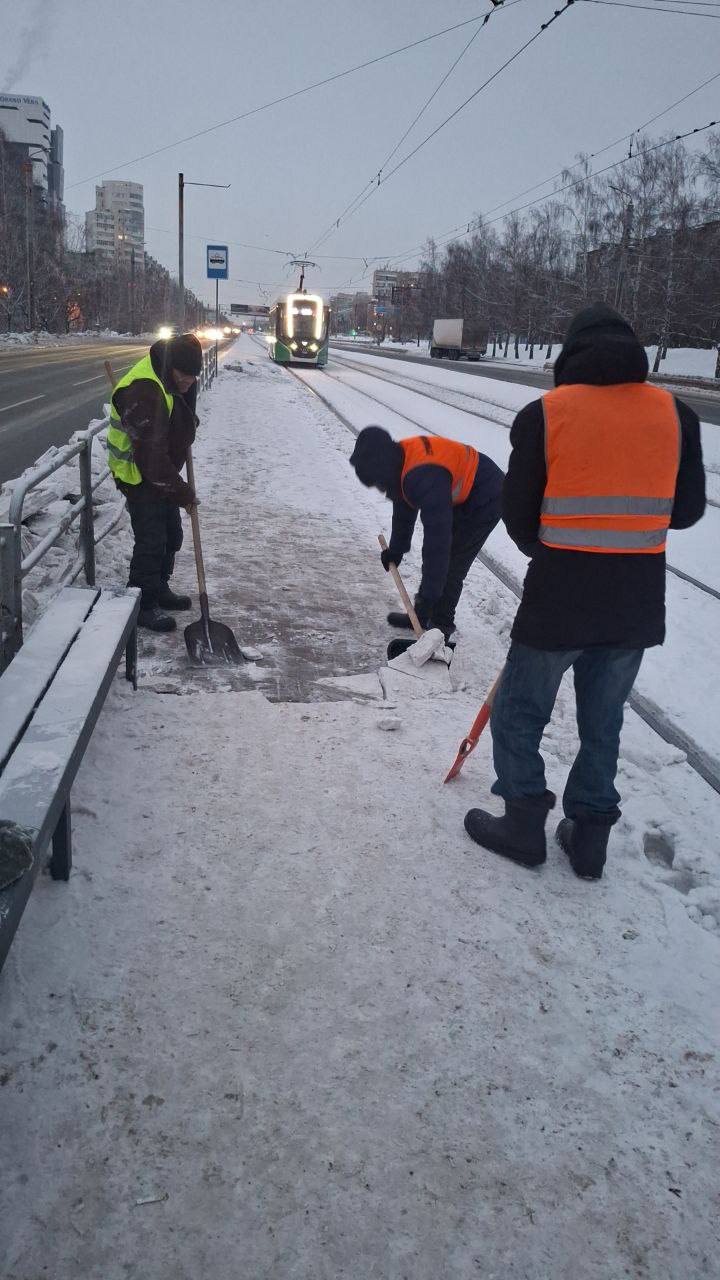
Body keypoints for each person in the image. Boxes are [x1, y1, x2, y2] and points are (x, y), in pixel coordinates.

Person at [464, 304, 706, 880]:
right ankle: (589, 837)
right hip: (635, 601)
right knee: (603, 721)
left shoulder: (545, 414)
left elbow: (518, 514)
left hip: (559, 597)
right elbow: (687, 510)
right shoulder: (677, 415)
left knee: (520, 711)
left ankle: (523, 823)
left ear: (569, 354)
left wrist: (557, 548)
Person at [349, 426, 503, 655]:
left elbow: (437, 545)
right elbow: (403, 507)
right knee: (443, 562)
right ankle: (423, 619)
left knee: (452, 563)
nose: (381, 489)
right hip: (461, 491)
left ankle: (439, 630)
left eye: (379, 483)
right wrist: (396, 550)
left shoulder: (423, 476)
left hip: (487, 495)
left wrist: (427, 597)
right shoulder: (400, 461)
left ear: (383, 469)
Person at [108, 333, 203, 632]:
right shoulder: (143, 391)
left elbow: (177, 417)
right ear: (172, 367)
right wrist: (183, 493)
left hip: (158, 471)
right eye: (184, 376)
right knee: (151, 540)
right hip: (136, 474)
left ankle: (160, 587)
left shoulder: (170, 378)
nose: (189, 382)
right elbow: (150, 458)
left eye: (193, 377)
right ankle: (143, 604)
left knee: (171, 534)